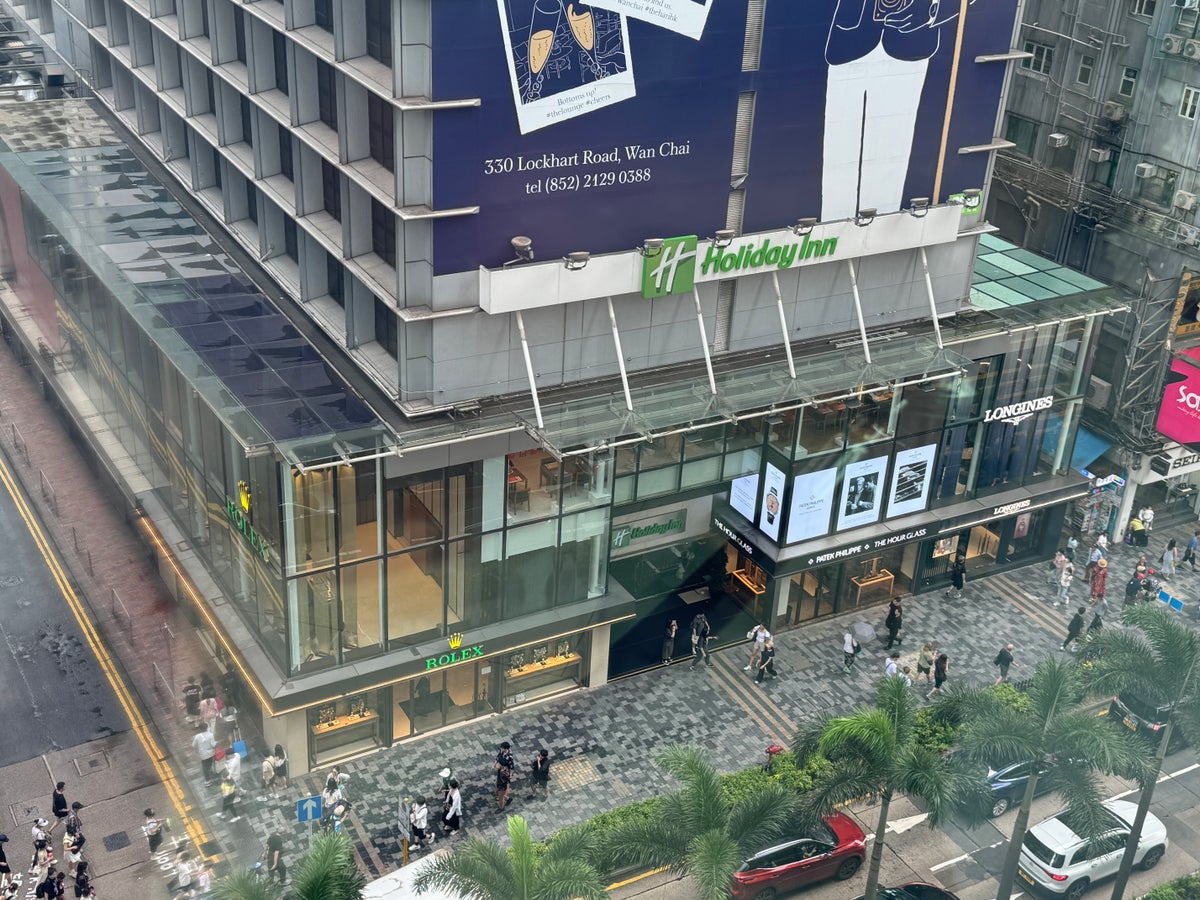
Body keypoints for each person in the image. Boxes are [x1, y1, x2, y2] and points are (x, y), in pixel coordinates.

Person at [495, 742, 515, 810]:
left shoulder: (509, 757)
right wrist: (494, 764)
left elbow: (512, 767)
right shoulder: (501, 752)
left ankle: (501, 807)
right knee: (497, 790)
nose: (501, 749)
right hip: (501, 773)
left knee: (501, 793)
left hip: (504, 776)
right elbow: (498, 757)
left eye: (502, 748)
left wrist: (510, 775)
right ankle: (507, 798)